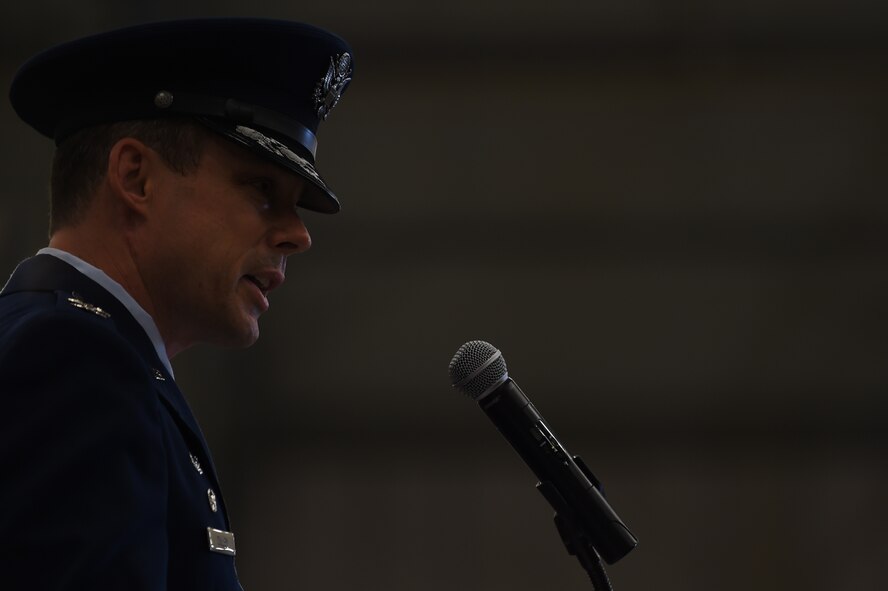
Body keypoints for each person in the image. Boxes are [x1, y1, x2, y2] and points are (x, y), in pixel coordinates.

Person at [0, 18, 354, 589]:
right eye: (261, 189)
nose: (298, 235)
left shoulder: (92, 355)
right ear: (136, 178)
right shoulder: (73, 362)